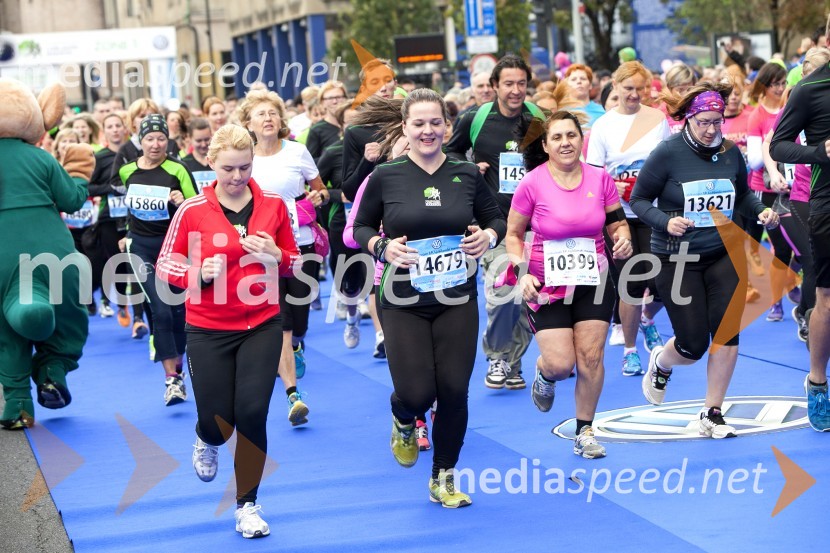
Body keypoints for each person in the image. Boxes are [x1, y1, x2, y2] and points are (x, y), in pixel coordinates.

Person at [353, 88, 505, 507]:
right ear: (405, 127)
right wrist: (382, 248)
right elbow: (361, 227)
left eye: (435, 122)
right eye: (418, 123)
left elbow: (496, 218)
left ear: (446, 126)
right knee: (418, 393)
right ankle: (403, 415)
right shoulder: (386, 175)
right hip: (403, 299)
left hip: (456, 295)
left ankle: (444, 476)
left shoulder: (467, 173)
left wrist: (487, 236)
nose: (427, 131)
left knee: (455, 389)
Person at [156, 124, 299, 539]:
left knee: (252, 412)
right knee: (218, 421)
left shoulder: (272, 204)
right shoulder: (192, 210)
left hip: (262, 322)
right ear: (210, 164)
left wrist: (279, 255)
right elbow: (166, 264)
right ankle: (206, 438)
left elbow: (295, 260)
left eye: (244, 167)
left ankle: (248, 504)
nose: (237, 177)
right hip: (208, 327)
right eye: (228, 169)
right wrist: (196, 272)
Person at [630, 82, 779, 438]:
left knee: (728, 333)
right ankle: (662, 362)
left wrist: (761, 212)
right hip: (676, 257)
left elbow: (742, 196)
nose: (713, 130)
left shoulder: (729, 152)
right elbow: (638, 200)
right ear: (689, 119)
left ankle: (712, 412)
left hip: (722, 253)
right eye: (704, 123)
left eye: (718, 122)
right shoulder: (666, 152)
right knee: (692, 345)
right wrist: (666, 221)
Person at [507, 110, 632, 458]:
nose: (565, 143)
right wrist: (521, 270)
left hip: (593, 277)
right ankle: (545, 375)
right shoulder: (532, 183)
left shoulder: (599, 178)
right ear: (545, 145)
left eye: (571, 136)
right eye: (557, 137)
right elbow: (514, 235)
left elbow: (616, 223)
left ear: (581, 140)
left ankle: (585, 430)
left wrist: (622, 238)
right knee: (562, 364)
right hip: (546, 283)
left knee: (591, 357)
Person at [445, 54, 546, 391]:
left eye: (521, 84)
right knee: (504, 289)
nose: (516, 90)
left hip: (536, 223)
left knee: (527, 296)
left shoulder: (537, 119)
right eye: (509, 84)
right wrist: (470, 167)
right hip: (497, 223)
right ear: (494, 87)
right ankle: (498, 356)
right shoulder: (476, 118)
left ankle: (512, 362)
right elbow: (452, 153)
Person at [238, 88, 328, 423]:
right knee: (282, 324)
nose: (268, 118)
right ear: (249, 122)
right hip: (263, 251)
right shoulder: (245, 158)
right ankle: (293, 395)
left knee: (300, 320)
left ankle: (298, 346)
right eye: (261, 114)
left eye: (273, 113)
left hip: (300, 246)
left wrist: (317, 200)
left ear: (281, 120)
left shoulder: (297, 151)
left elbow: (320, 189)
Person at [587, 61, 669, 376]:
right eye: (628, 89)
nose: (634, 95)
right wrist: (614, 185)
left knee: (661, 278)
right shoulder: (604, 126)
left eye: (640, 89)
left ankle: (646, 317)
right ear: (617, 87)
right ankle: (630, 350)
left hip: (651, 210)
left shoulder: (657, 120)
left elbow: (667, 164)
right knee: (631, 281)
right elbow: (593, 175)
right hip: (617, 215)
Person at [770, 20, 830, 432]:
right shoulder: (811, 89)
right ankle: (818, 383)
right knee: (827, 297)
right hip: (827, 203)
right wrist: (819, 150)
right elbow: (778, 144)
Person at [118, 114, 198, 406]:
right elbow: (126, 205)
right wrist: (125, 233)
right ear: (140, 141)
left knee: (178, 313)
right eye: (149, 138)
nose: (155, 144)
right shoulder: (127, 171)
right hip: (140, 247)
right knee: (160, 309)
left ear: (168, 140)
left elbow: (197, 208)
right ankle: (171, 380)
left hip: (173, 248)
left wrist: (180, 202)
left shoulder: (178, 169)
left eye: (161, 138)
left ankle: (178, 368)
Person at [87, 112, 148, 334]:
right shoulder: (100, 156)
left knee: (134, 265)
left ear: (125, 129)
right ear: (104, 131)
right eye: (109, 126)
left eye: (118, 126)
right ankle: (122, 303)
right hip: (109, 219)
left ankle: (138, 316)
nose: (114, 130)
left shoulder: (133, 152)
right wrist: (111, 189)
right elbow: (89, 187)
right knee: (119, 265)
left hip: (133, 217)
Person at [306, 81, 347, 160]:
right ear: (322, 102)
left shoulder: (355, 124)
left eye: (338, 97)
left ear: (345, 98)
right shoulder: (317, 130)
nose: (335, 101)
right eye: (330, 98)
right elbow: (311, 163)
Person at [180, 117, 214, 193]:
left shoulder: (219, 160)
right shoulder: (184, 163)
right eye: (198, 141)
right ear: (190, 138)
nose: (203, 144)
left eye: (206, 139)